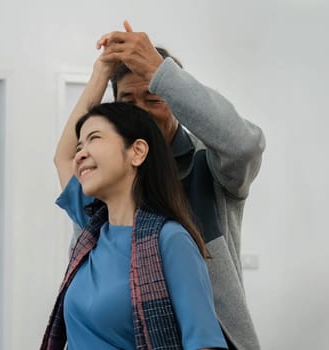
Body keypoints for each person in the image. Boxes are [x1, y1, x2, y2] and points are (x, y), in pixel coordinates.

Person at [52, 21, 265, 350]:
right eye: (128, 102)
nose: (143, 114)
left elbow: (244, 146)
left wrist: (158, 70)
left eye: (154, 99)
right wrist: (101, 72)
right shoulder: (99, 206)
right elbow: (66, 157)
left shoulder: (204, 168)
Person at [42, 102, 228, 350]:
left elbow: (204, 343)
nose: (79, 154)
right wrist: (101, 71)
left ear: (137, 152)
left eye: (93, 138)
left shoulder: (170, 239)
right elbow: (62, 159)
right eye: (79, 146)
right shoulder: (92, 234)